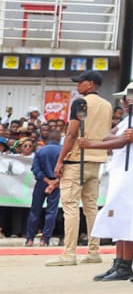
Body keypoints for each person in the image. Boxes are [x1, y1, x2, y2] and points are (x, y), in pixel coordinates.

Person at [83, 82, 133, 281]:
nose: (123, 101)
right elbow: (110, 135)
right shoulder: (127, 119)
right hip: (122, 170)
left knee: (128, 215)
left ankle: (125, 263)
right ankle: (119, 262)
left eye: (126, 98)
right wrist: (109, 139)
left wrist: (92, 145)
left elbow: (121, 140)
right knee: (119, 215)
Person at [45, 70, 112, 267]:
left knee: (70, 206)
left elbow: (72, 133)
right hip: (96, 159)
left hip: (77, 160)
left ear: (90, 84)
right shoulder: (107, 105)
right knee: (91, 207)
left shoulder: (80, 103)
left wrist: (60, 160)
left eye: (80, 83)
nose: (77, 86)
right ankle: (93, 250)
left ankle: (69, 253)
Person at [26, 135, 62, 247]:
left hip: (42, 182)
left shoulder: (41, 151)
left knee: (35, 211)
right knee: (51, 212)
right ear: (59, 139)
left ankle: (30, 239)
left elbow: (35, 169)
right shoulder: (63, 151)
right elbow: (67, 169)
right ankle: (45, 239)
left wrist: (47, 182)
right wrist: (53, 183)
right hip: (56, 183)